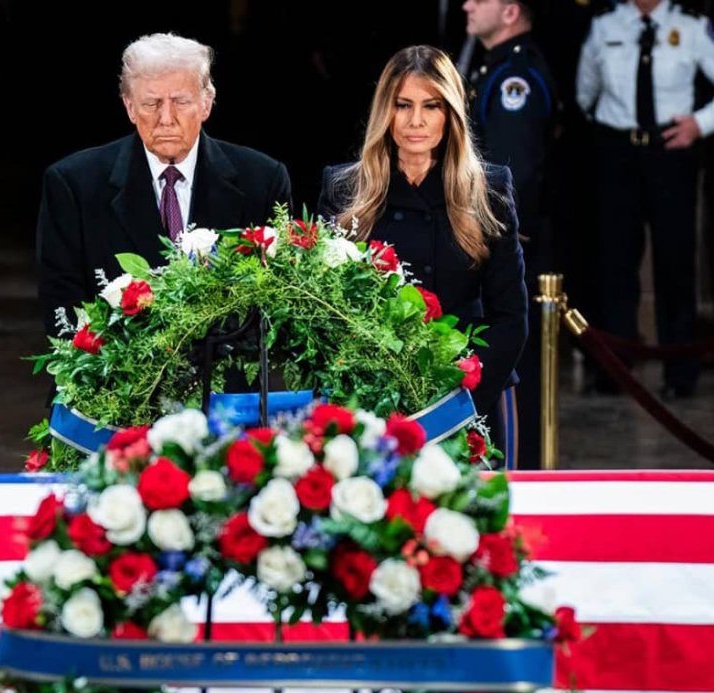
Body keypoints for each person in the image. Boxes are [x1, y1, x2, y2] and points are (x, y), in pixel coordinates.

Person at [318, 45, 527, 463]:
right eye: (403, 105)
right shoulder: (344, 189)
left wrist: (459, 394)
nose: (416, 121)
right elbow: (327, 313)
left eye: (431, 106)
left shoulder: (489, 190)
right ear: (385, 112)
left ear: (449, 114)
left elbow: (510, 319)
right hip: (374, 404)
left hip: (471, 397)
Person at [36, 32, 292, 335]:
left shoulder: (262, 180)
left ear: (207, 103)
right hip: (119, 379)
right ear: (130, 107)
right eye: (151, 103)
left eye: (181, 102)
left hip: (225, 375)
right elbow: (62, 307)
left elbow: (276, 304)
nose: (166, 118)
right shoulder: (73, 184)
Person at [577, 0, 714, 398]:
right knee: (614, 264)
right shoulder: (605, 24)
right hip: (616, 153)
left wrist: (700, 125)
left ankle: (680, 374)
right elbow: (586, 92)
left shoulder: (691, 25)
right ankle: (615, 373)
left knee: (675, 264)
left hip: (670, 152)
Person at [464, 0, 559, 468]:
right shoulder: (490, 67)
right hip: (494, 238)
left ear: (509, 12)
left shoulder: (512, 78)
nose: (466, 5)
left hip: (508, 245)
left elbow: (510, 171)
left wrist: (493, 234)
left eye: (479, 0)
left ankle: (527, 470)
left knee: (516, 367)